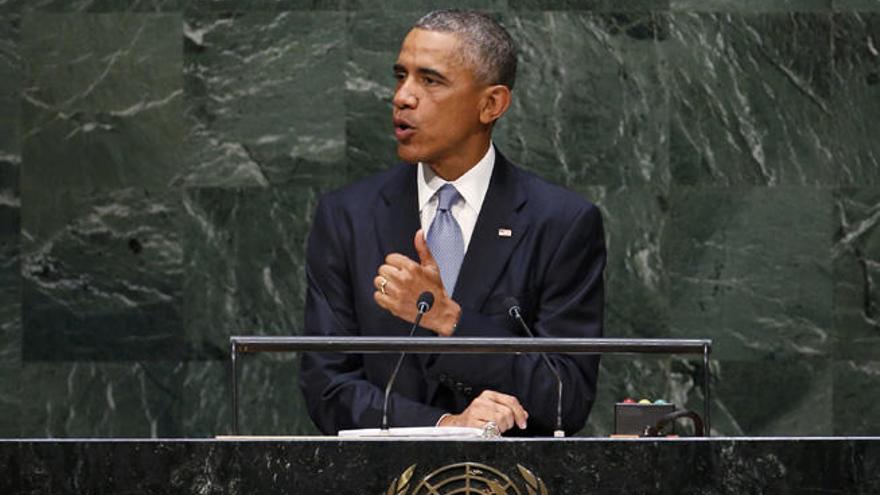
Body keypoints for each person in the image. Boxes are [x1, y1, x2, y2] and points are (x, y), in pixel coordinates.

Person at [299, 10, 605, 436]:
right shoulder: (348, 216)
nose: (402, 97)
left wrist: (452, 323)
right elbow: (327, 385)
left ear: (491, 104)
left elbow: (565, 398)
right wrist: (445, 425)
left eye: (430, 80)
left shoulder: (560, 222)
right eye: (400, 76)